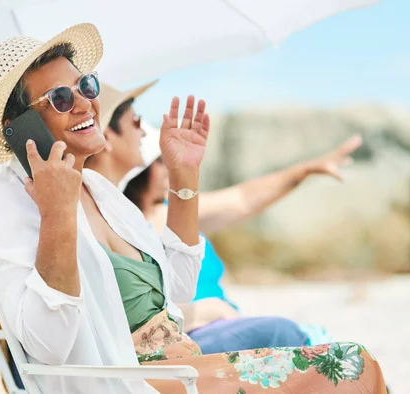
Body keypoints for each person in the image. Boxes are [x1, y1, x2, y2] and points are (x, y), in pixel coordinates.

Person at [0, 24, 386, 393]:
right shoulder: (6, 213)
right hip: (136, 382)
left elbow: (179, 289)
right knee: (350, 365)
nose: (85, 103)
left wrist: (183, 177)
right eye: (60, 97)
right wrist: (56, 215)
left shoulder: (97, 188)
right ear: (20, 127)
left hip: (185, 366)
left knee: (353, 362)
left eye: (87, 86)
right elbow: (48, 346)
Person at [88, 82, 316, 353]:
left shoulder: (119, 209)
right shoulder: (90, 209)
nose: (143, 132)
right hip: (162, 364)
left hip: (178, 349)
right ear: (106, 134)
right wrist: (208, 312)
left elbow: (180, 286)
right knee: (286, 334)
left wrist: (186, 172)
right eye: (136, 121)